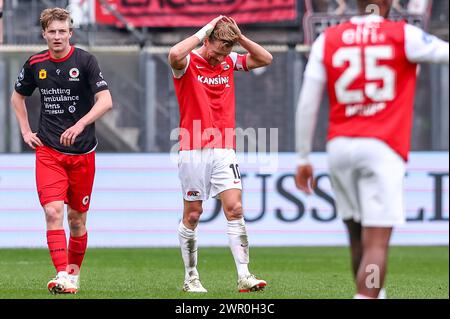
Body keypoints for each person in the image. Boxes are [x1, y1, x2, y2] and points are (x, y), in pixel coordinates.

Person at [295, 0, 448, 299]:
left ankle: (374, 294)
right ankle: (367, 295)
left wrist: (303, 157)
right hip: (383, 147)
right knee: (376, 243)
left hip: (339, 147)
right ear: (389, 3)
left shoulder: (328, 39)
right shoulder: (403, 34)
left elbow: (307, 103)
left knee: (357, 239)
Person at [11, 8, 113, 294]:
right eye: (52, 32)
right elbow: (17, 96)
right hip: (48, 151)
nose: (57, 36)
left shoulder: (85, 61)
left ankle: (73, 274)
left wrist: (80, 124)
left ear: (71, 32)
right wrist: (25, 130)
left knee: (77, 220)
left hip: (82, 153)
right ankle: (61, 274)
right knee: (53, 211)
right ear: (44, 34)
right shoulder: (34, 64)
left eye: (62, 31)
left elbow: (105, 100)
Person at [168, 16, 272, 293]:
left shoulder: (228, 61)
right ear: (208, 40)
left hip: (224, 146)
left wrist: (239, 39)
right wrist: (203, 32)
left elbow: (265, 58)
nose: (218, 58)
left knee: (235, 209)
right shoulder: (187, 62)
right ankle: (191, 277)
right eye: (215, 50)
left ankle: (244, 275)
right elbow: (174, 53)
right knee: (193, 214)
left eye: (225, 52)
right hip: (192, 147)